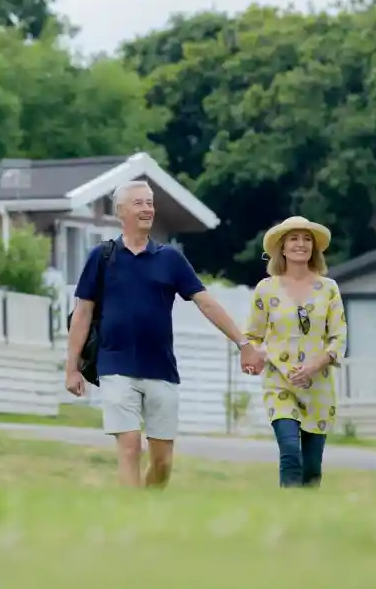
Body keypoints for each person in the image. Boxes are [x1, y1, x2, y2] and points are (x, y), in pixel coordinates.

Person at [65, 179, 264, 488]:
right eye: (139, 203)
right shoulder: (101, 258)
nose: (148, 209)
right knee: (130, 446)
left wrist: (243, 343)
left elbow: (205, 302)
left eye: (150, 202)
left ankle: (148, 510)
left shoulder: (170, 259)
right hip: (114, 364)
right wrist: (72, 368)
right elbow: (82, 313)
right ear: (121, 212)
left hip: (160, 368)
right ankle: (130, 519)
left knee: (162, 463)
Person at [244, 215, 348, 488]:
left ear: (314, 247)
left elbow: (339, 337)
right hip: (280, 382)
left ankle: (307, 518)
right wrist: (255, 356)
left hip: (319, 386)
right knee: (290, 451)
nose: (300, 244)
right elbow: (252, 336)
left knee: (312, 468)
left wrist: (315, 365)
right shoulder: (266, 290)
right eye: (294, 238)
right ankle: (286, 511)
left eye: (306, 239)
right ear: (282, 247)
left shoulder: (329, 289)